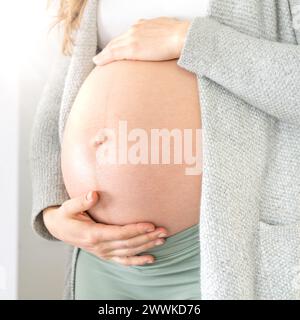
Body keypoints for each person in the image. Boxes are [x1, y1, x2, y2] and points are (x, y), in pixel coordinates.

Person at [31, 0, 300, 300]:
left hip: (216, 253)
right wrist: (53, 213)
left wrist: (186, 39)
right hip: (104, 260)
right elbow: (59, 98)